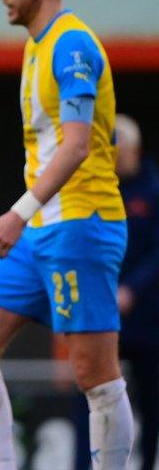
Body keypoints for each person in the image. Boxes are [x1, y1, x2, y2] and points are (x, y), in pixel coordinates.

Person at [0, 0, 131, 470]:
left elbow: (75, 147)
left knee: (95, 375)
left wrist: (16, 213)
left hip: (80, 223)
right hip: (42, 226)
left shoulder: (71, 45)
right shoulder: (37, 45)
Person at [75, 114, 159, 470]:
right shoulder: (99, 189)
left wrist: (132, 290)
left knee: (151, 402)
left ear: (134, 149)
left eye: (117, 150)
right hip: (102, 313)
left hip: (148, 319)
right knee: (89, 393)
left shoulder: (154, 191)